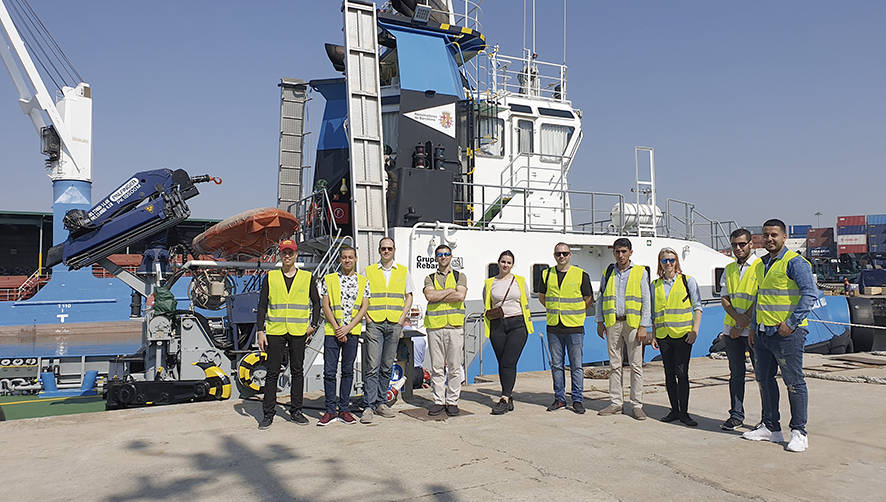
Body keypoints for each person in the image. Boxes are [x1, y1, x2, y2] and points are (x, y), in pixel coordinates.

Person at [742, 219, 818, 453]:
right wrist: (754, 327)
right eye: (765, 235)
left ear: (784, 237)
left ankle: (799, 432)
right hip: (763, 334)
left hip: (787, 335)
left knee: (794, 383)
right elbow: (760, 298)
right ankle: (771, 427)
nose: (769, 239)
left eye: (774, 235)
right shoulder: (761, 264)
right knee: (764, 380)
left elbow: (809, 294)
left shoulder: (795, 263)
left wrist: (792, 323)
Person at [255, 239, 322, 429]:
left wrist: (313, 325)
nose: (287, 256)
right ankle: (268, 414)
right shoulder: (271, 277)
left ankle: (296, 411)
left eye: (290, 252)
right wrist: (261, 330)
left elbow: (316, 303)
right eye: (284, 252)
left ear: (296, 255)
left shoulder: (307, 277)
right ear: (280, 255)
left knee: (297, 371)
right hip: (275, 331)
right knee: (272, 372)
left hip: (298, 331)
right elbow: (262, 306)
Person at [596, 238, 651, 420]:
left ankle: (637, 405)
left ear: (630, 253)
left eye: (624, 251)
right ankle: (616, 403)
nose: (621, 255)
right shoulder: (608, 271)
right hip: (613, 323)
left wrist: (644, 325)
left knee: (635, 365)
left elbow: (646, 300)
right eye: (618, 252)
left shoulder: (639, 272)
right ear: (614, 253)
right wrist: (599, 321)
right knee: (614, 365)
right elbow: (601, 298)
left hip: (633, 324)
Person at [361, 237, 414, 424]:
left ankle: (381, 402)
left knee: (386, 365)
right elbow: (363, 297)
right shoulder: (369, 271)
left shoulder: (403, 271)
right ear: (379, 250)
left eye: (389, 248)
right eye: (383, 248)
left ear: (394, 250)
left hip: (394, 323)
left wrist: (401, 319)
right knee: (372, 366)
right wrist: (367, 318)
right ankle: (368, 405)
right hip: (374, 322)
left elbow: (409, 296)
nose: (386, 251)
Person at [537, 243, 594, 414]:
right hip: (554, 326)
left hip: (574, 326)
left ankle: (577, 400)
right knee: (557, 365)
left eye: (565, 253)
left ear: (570, 255)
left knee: (576, 366)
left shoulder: (581, 275)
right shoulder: (547, 274)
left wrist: (576, 312)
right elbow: (542, 296)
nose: (561, 256)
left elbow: (589, 298)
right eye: (558, 253)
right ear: (554, 255)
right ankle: (559, 399)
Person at [650, 247, 703, 426]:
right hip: (664, 335)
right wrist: (654, 335)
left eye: (672, 260)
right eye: (665, 260)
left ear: (677, 262)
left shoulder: (688, 281)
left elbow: (697, 307)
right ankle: (674, 410)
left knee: (682, 373)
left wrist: (694, 331)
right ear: (660, 263)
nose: (668, 263)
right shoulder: (655, 286)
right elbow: (653, 312)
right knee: (669, 374)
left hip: (683, 335)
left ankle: (684, 412)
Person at [317, 245, 370, 426]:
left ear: (355, 259)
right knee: (329, 372)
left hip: (352, 332)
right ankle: (330, 411)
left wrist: (347, 328)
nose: (347, 260)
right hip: (332, 332)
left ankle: (344, 410)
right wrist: (338, 327)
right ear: (340, 260)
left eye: (350, 257)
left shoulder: (363, 281)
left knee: (347, 372)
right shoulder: (329, 279)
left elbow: (364, 307)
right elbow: (325, 305)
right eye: (344, 257)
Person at [719, 228, 760, 431]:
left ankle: (767, 417)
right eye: (734, 244)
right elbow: (725, 298)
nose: (738, 248)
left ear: (751, 244)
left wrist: (742, 323)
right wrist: (736, 323)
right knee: (736, 374)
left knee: (762, 374)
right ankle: (736, 415)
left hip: (753, 329)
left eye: (742, 244)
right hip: (732, 331)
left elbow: (760, 297)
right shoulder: (729, 269)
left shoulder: (761, 266)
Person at [483, 250, 534, 415]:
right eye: (503, 261)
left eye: (509, 262)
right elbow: (488, 301)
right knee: (502, 362)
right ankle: (509, 396)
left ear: (512, 265)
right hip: (497, 325)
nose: (505, 265)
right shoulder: (490, 283)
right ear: (498, 262)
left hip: (518, 324)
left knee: (508, 362)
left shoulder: (519, 281)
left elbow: (525, 298)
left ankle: (504, 398)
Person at [423, 244, 468, 417]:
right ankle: (438, 401)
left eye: (446, 254)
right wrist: (450, 290)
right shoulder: (429, 277)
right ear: (435, 258)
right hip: (435, 327)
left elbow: (460, 296)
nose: (443, 257)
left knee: (455, 367)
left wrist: (440, 294)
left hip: (455, 327)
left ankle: (452, 401)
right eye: (440, 254)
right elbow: (429, 296)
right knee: (437, 368)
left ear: (451, 256)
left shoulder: (460, 276)